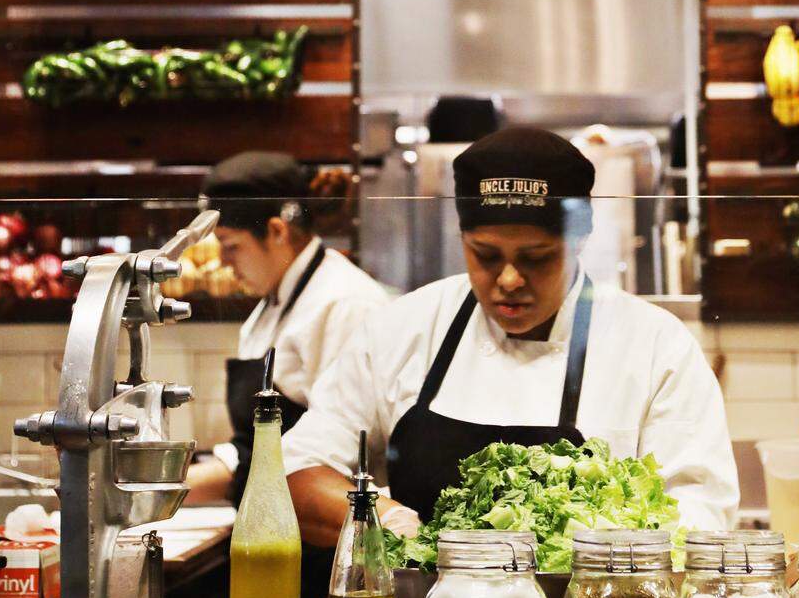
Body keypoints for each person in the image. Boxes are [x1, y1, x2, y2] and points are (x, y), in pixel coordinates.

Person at [283, 125, 739, 546]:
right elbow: (295, 471)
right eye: (485, 255)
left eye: (536, 257)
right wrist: (383, 520)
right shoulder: (402, 329)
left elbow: (700, 517)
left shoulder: (655, 347)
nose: (509, 279)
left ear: (579, 241)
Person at [185, 150, 388, 509]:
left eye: (231, 246)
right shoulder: (272, 304)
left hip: (324, 524)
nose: (223, 261)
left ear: (277, 231)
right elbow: (253, 446)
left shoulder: (343, 304)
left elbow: (340, 449)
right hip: (276, 511)